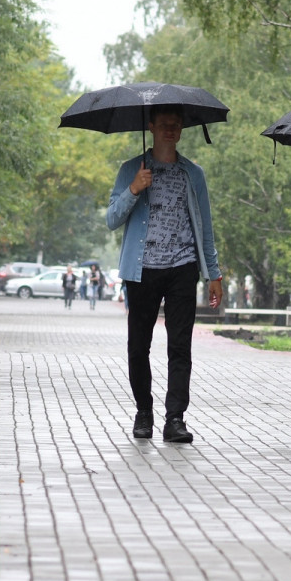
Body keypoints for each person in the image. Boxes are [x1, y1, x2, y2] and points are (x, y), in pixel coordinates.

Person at [106, 107, 223, 442]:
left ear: (182, 129)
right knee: (138, 346)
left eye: (176, 124)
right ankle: (144, 412)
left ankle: (175, 418)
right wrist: (133, 189)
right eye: (164, 124)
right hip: (141, 270)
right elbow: (111, 219)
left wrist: (212, 272)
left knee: (180, 346)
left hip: (182, 268)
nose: (170, 129)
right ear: (152, 126)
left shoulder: (193, 174)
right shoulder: (132, 168)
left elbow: (205, 227)